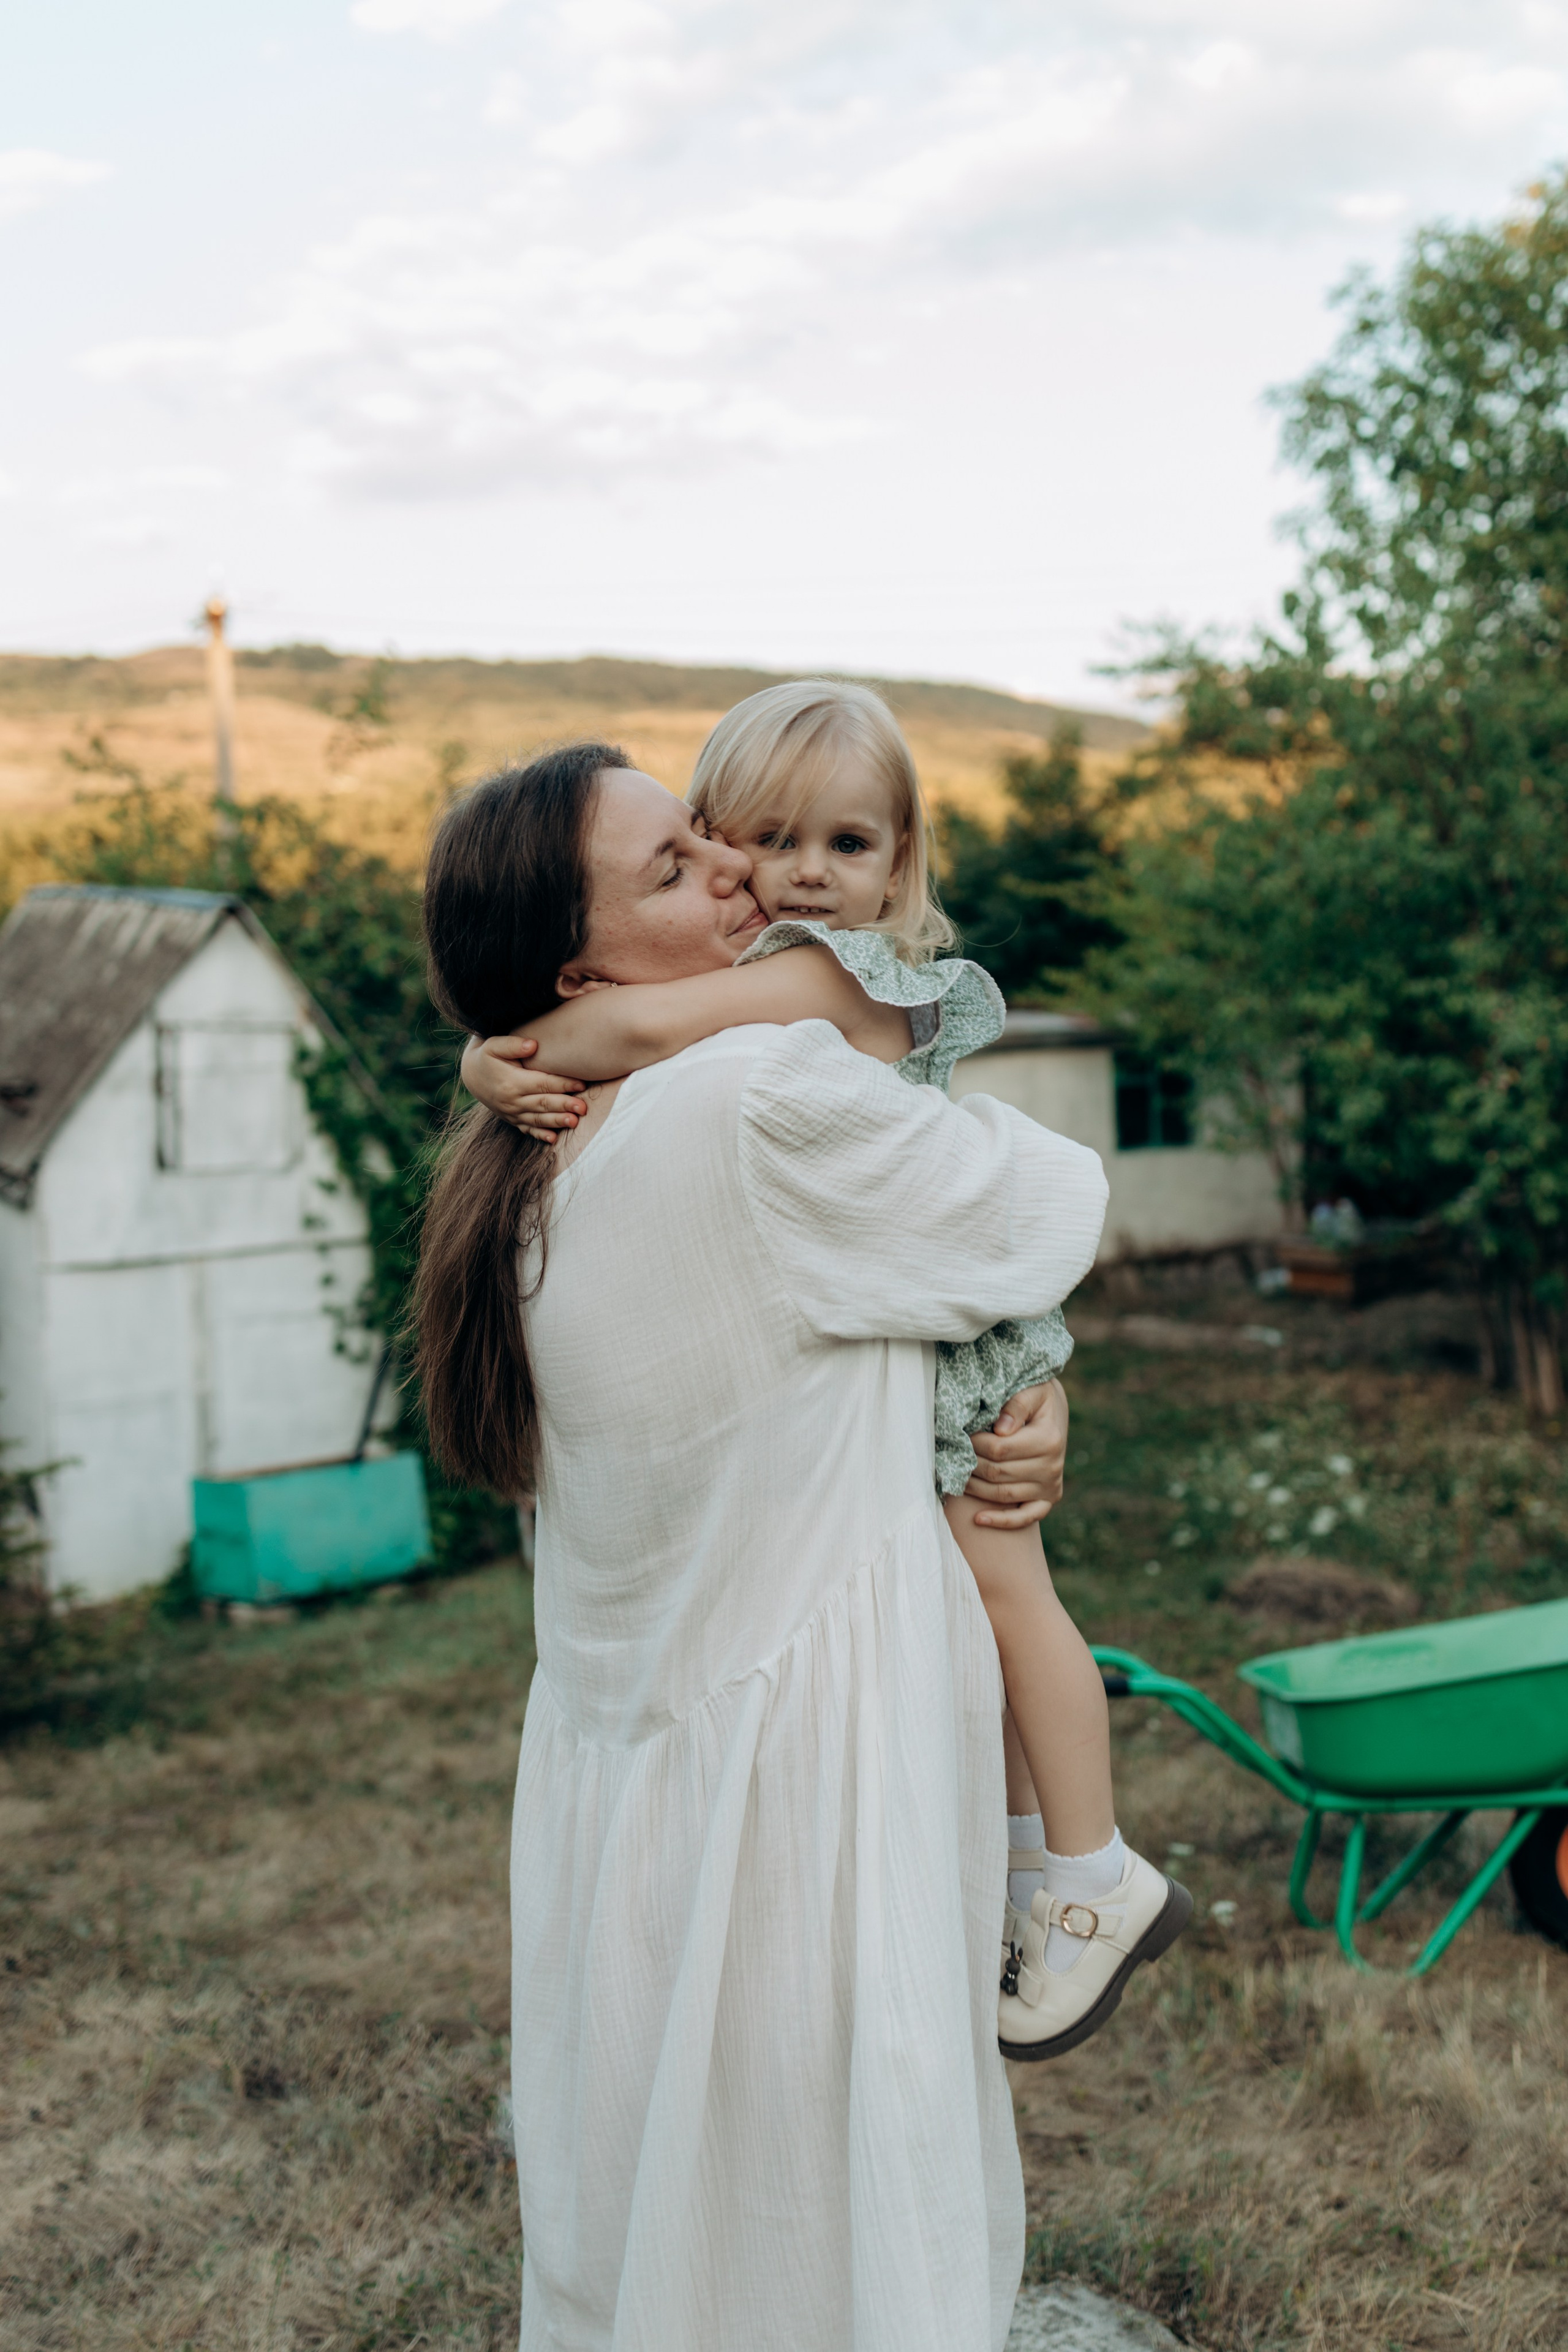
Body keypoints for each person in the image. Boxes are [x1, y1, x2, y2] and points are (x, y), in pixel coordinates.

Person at [415, 741, 1107, 2350]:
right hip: (806, 1797)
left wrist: (1016, 1378)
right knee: (842, 2234)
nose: (739, 874)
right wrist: (1042, 1367)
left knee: (673, 2231)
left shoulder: (525, 1167)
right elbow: (1043, 1200)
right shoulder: (748, 1094)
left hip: (632, 1804)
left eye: (704, 837)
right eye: (677, 870)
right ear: (581, 972)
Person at [459, 682, 1191, 2060]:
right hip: (918, 1321)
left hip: (955, 1339)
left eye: (849, 846)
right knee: (982, 1607)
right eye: (761, 837)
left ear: (900, 861)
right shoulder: (778, 993)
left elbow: (627, 1031)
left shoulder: (822, 981)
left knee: (1003, 1588)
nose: (802, 872)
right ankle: (1042, 1870)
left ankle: (1092, 1876)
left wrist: (493, 1058)